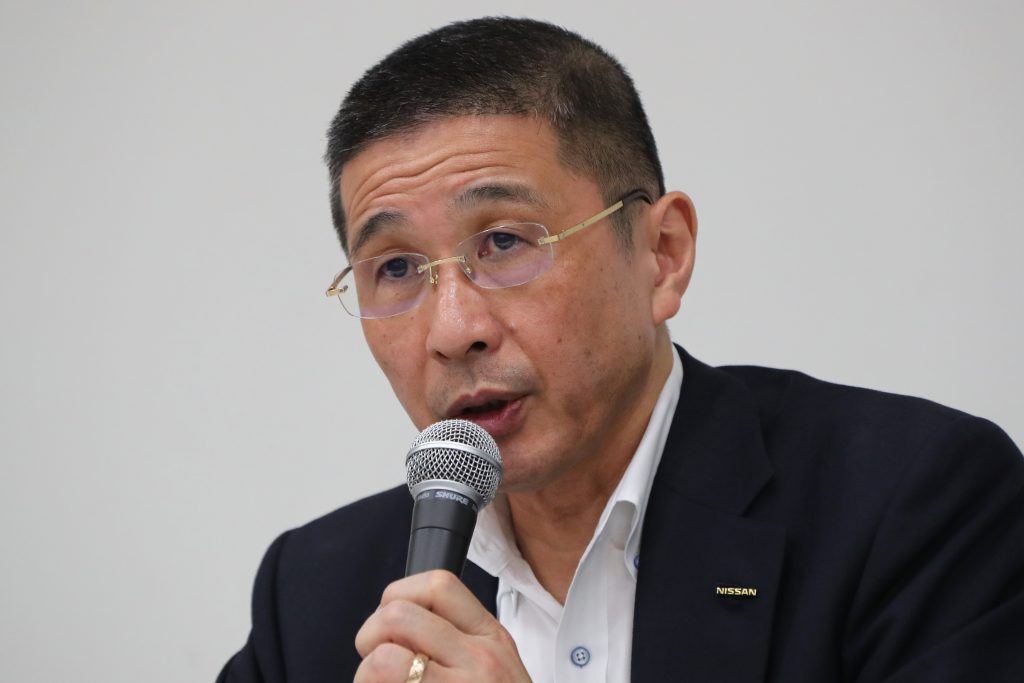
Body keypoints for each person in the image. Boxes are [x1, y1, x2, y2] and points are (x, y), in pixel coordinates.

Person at [218, 17, 1024, 683]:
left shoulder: (912, 506)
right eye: (395, 267)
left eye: (502, 241)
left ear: (662, 254)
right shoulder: (314, 595)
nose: (452, 328)